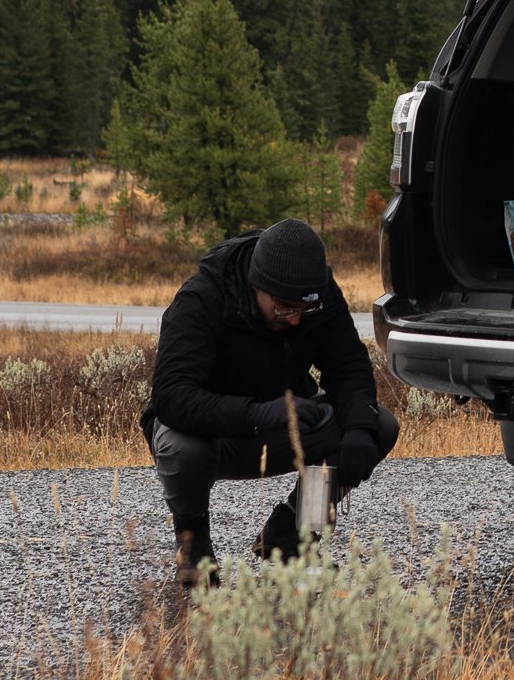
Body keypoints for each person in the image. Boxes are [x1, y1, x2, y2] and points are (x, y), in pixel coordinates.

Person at [144, 215, 399, 587]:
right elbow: (172, 397)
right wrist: (259, 413)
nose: (295, 320)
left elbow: (348, 368)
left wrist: (360, 430)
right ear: (255, 287)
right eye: (283, 307)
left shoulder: (318, 296)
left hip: (283, 430)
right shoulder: (202, 298)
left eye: (303, 309)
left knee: (378, 425)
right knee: (180, 444)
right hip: (214, 438)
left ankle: (293, 535)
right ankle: (192, 539)